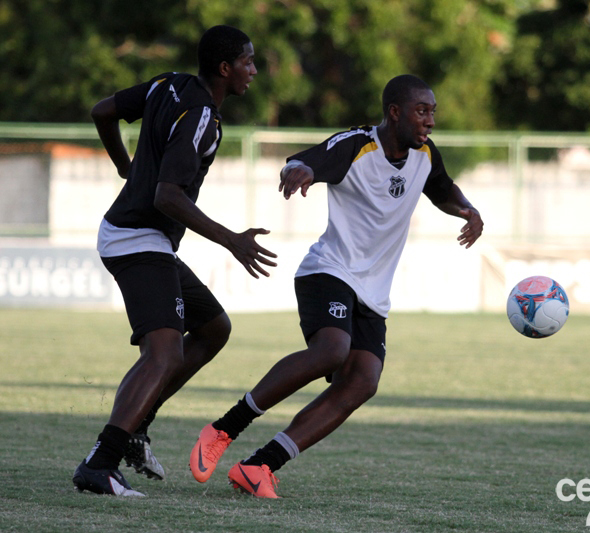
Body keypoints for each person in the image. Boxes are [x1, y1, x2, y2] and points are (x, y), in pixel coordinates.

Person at [189, 74, 484, 498]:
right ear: (395, 112)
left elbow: (440, 187)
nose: (430, 120)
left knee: (363, 381)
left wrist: (468, 210)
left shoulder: (423, 153)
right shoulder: (357, 145)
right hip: (329, 271)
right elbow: (304, 160)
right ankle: (225, 428)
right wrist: (300, 171)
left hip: (373, 291)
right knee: (332, 350)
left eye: (433, 111)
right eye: (423, 111)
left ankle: (260, 466)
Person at [72, 25, 277, 497]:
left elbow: (102, 111)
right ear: (225, 69)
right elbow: (167, 196)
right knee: (164, 354)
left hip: (138, 237)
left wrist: (125, 165)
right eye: (248, 61)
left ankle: (135, 429)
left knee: (213, 329)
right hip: (136, 238)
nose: (254, 69)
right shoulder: (202, 115)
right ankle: (100, 464)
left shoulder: (170, 83)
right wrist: (232, 240)